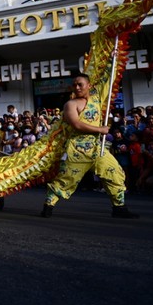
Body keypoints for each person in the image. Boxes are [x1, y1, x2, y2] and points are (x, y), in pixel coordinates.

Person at [41, 74, 138, 218]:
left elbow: (108, 78)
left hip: (97, 148)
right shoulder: (70, 104)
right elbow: (76, 124)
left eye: (80, 84)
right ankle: (48, 205)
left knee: (115, 173)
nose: (77, 87)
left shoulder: (97, 99)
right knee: (66, 180)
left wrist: (114, 57)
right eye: (75, 85)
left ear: (89, 86)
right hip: (77, 149)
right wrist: (100, 130)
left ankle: (119, 207)